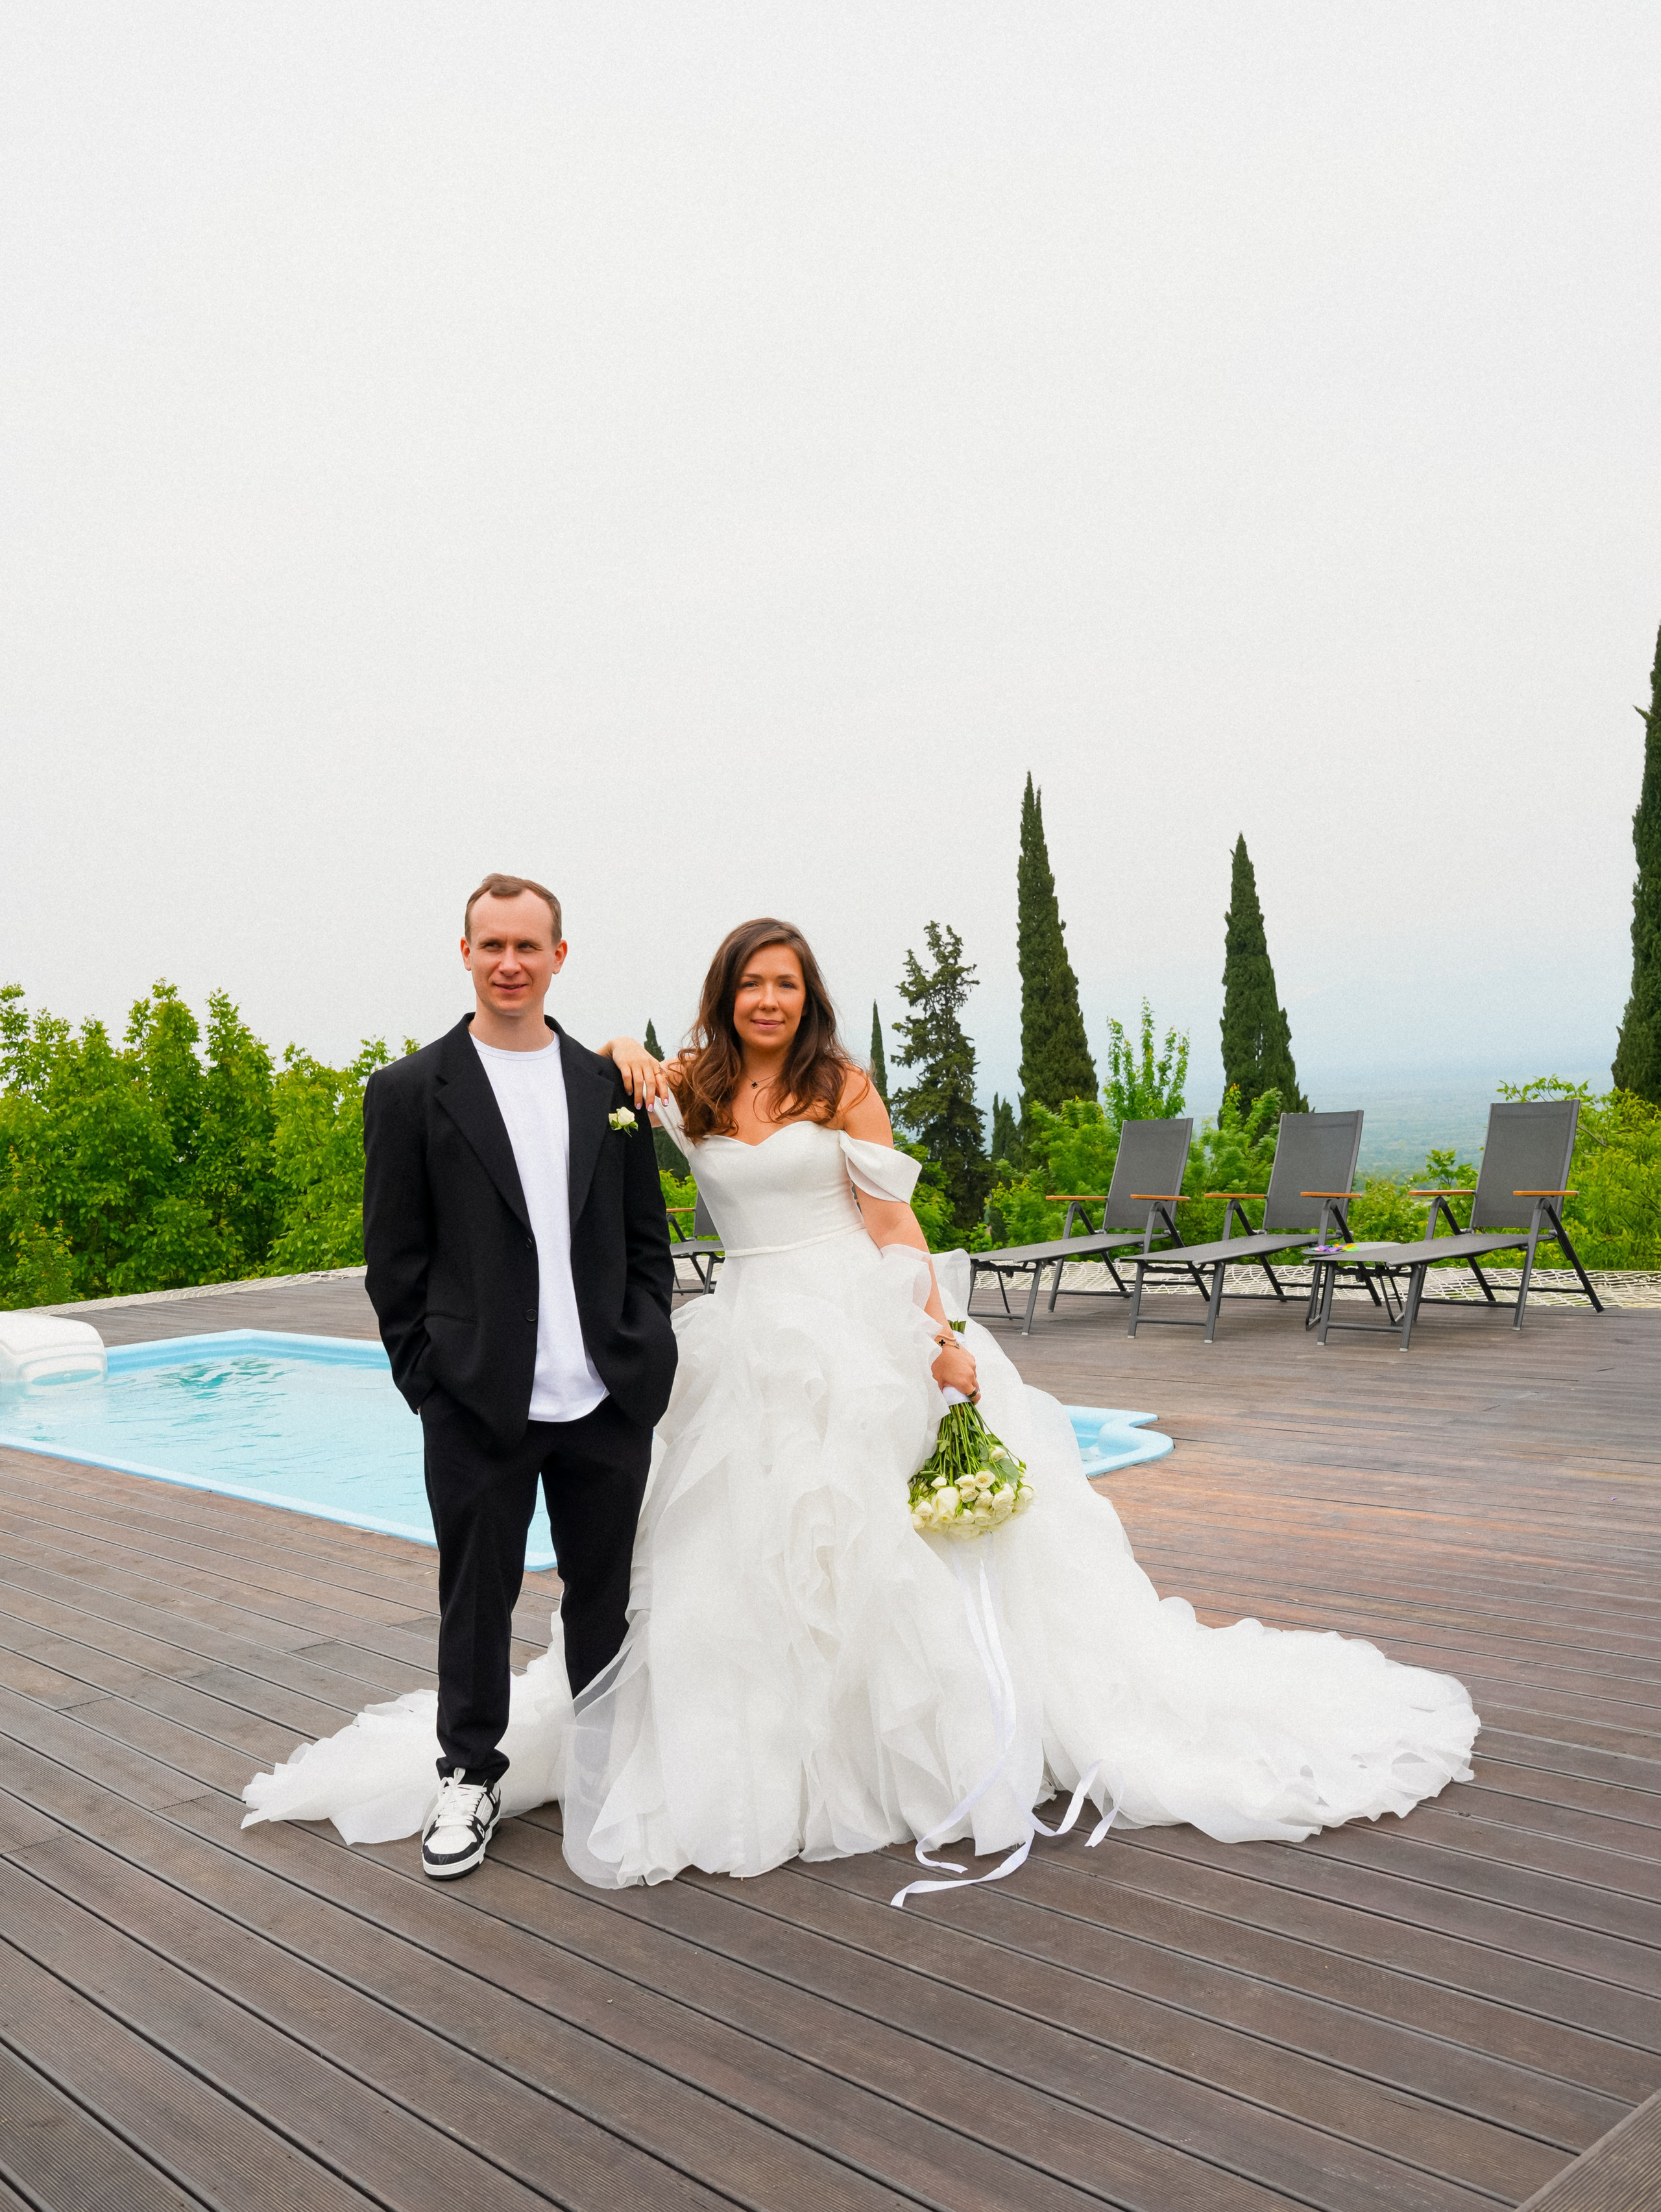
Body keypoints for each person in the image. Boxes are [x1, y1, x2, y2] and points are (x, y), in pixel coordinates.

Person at [245, 916, 1477, 1893]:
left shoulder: (843, 1083)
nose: (767, 1001)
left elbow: (893, 1219)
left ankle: (892, 1753)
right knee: (733, 1558)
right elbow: (611, 1104)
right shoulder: (685, 1088)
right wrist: (631, 1060)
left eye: (784, 983)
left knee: (881, 1558)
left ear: (807, 994)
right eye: (749, 984)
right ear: (724, 996)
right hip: (740, 1341)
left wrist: (936, 1337)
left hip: (854, 1330)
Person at [346, 871, 675, 1877]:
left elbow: (646, 1240)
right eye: (491, 945)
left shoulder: (605, 1084)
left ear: (559, 957)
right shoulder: (410, 1091)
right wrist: (431, 1383)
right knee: (474, 1595)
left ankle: (603, 1761)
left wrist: (644, 1339)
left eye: (528, 946)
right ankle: (469, 1773)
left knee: (603, 1595)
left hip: (604, 1397)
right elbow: (392, 1262)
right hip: (480, 1397)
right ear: (466, 953)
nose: (509, 963)